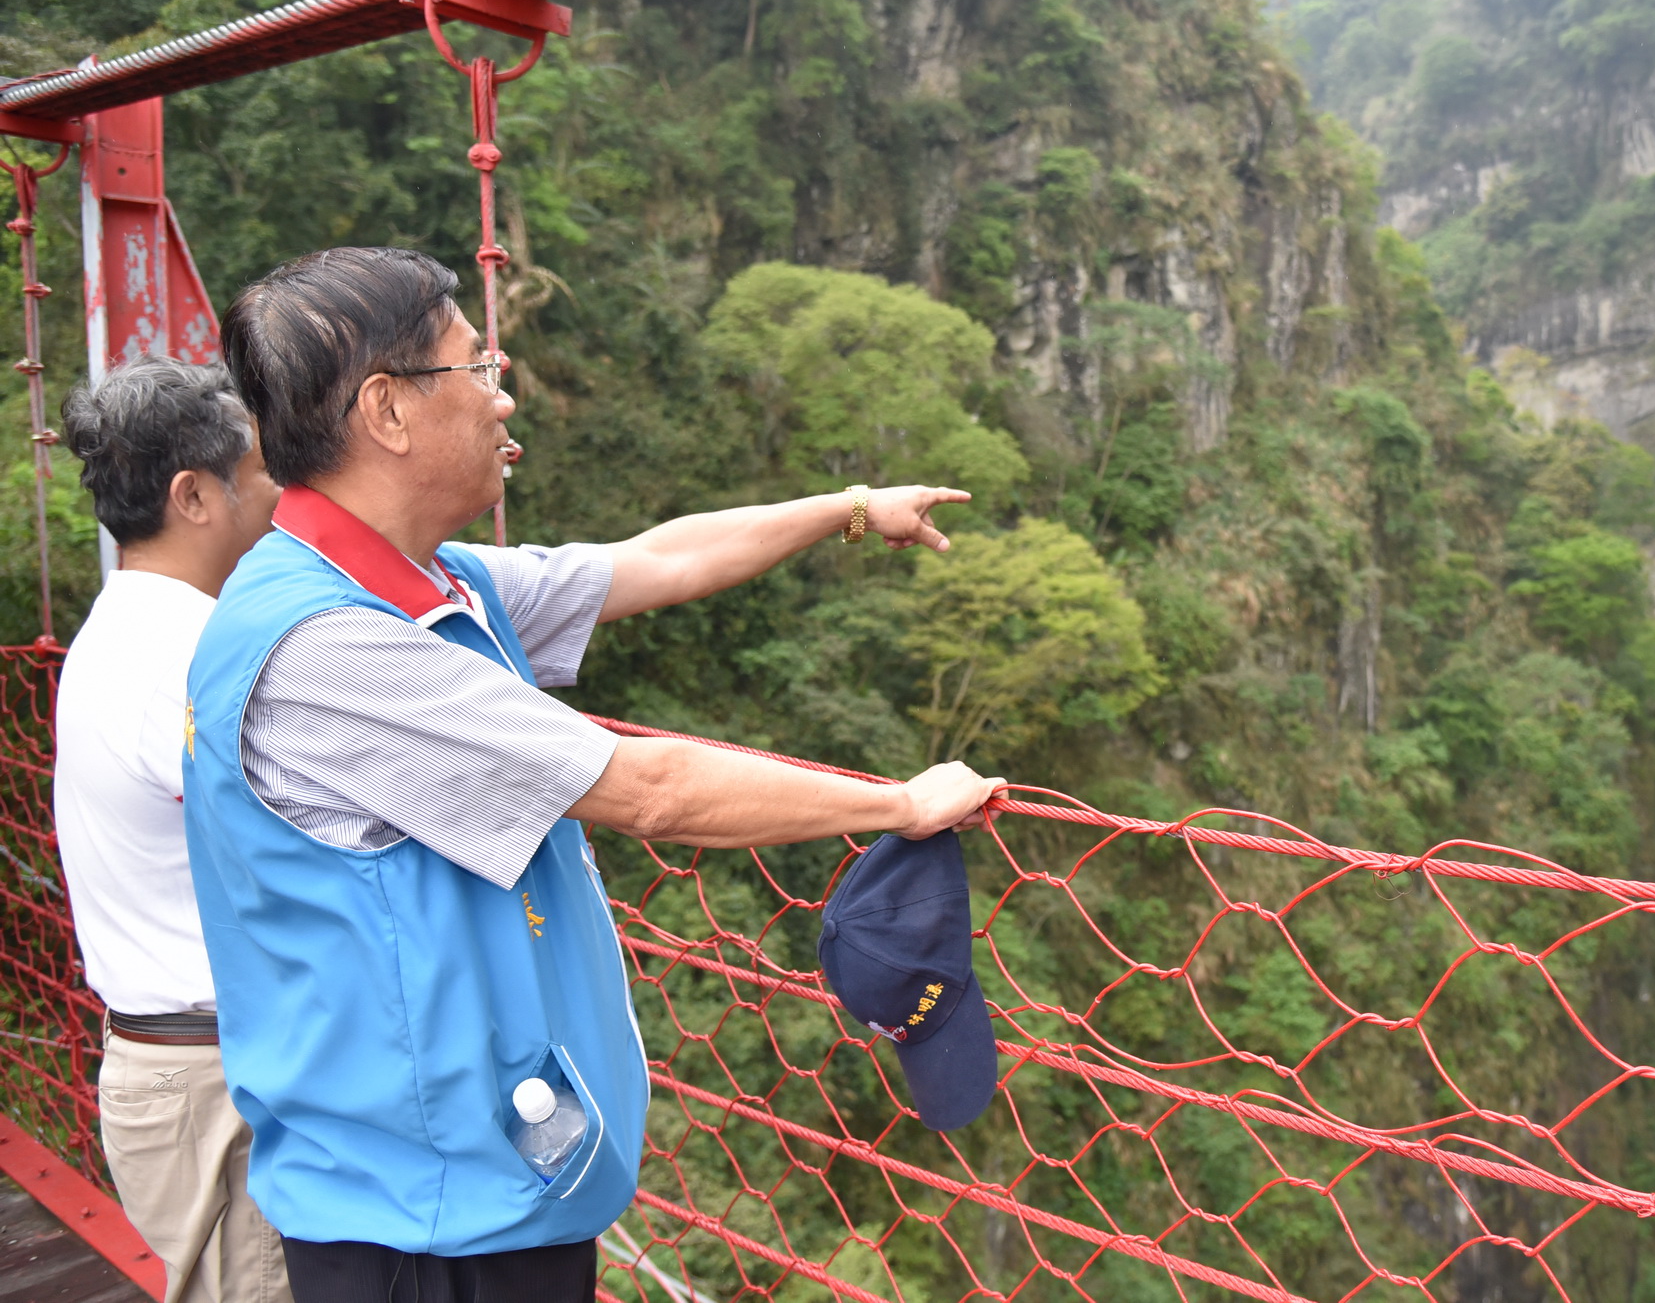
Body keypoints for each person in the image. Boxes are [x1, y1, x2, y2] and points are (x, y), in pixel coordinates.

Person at [185, 246, 1005, 1303]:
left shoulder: (421, 583)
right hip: (422, 1219)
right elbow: (645, 789)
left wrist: (850, 507)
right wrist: (900, 802)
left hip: (468, 1176)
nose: (502, 393)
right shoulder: (328, 648)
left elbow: (654, 559)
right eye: (475, 367)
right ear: (386, 410)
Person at [53, 357, 287, 1303]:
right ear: (195, 495)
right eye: (264, 468)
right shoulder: (185, 659)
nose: (282, 488)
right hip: (209, 1085)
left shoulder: (120, 630)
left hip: (185, 1067)